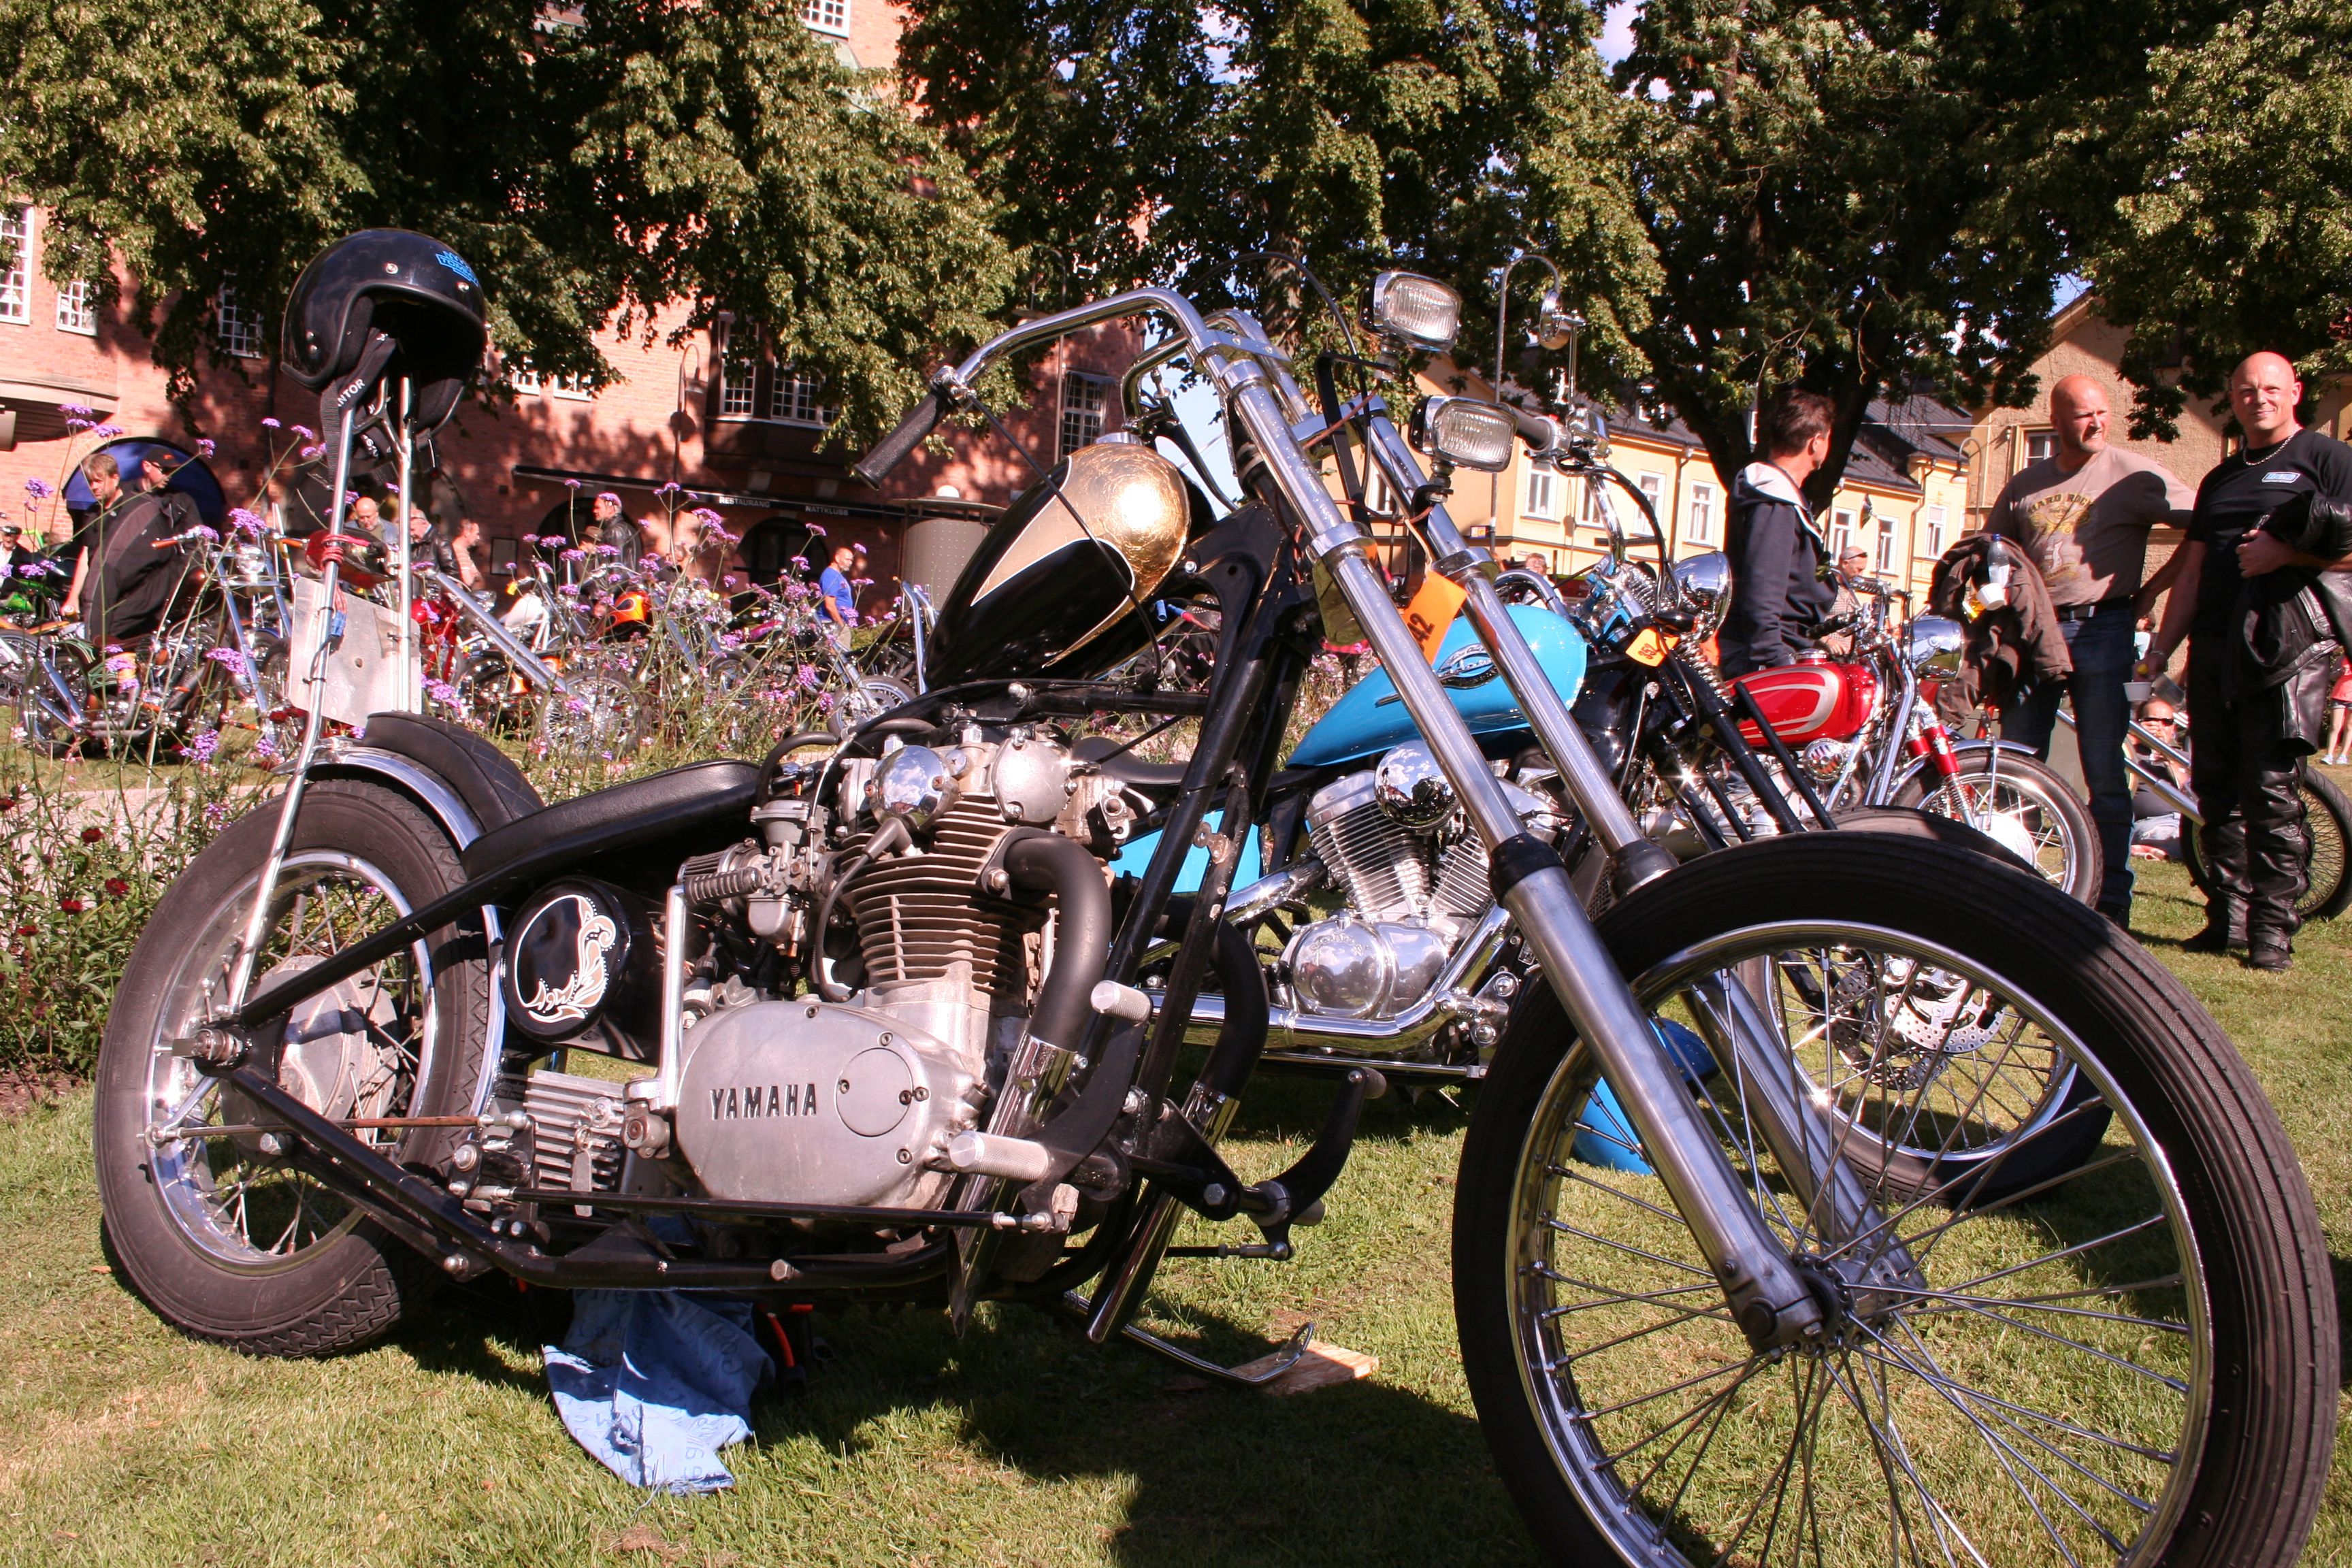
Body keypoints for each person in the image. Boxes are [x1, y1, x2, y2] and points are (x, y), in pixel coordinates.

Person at [2139, 351, 2352, 970]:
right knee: (2215, 789)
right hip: (2214, 645)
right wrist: (2162, 649)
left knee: (2271, 791)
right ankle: (2228, 919)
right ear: (2233, 398)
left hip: (2286, 649)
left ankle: (2272, 933)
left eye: (2271, 388)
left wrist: (2289, 557)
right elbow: (2194, 572)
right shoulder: (2221, 478)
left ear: (2295, 392)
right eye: (2246, 390)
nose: (2259, 398)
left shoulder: (2328, 459)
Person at [1984, 373, 2196, 927]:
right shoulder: (2025, 484)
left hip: (2105, 628)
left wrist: (2154, 589)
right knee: (2017, 764)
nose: (2097, 423)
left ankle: (2111, 898)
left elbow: (2203, 525)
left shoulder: (2134, 475)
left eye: (2102, 412)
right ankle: (2017, 886)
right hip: (2036, 633)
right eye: (2083, 415)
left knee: (2104, 770)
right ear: (2056, 422)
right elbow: (1992, 551)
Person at [1720, 389, 1837, 675]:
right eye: (1828, 438)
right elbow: (1763, 592)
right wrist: (1776, 661)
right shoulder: (1775, 502)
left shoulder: (1778, 498)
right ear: (1816, 442)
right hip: (1767, 657)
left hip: (1781, 647)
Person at [84, 450, 199, 659]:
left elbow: (194, 545)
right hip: (119, 583)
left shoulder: (181, 501)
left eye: (173, 471)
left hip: (158, 581)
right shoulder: (125, 496)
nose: (169, 476)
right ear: (147, 466)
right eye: (164, 470)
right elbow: (94, 552)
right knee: (111, 630)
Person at [2129, 698, 2191, 860]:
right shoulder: (2129, 754)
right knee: (2169, 837)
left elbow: (2197, 797)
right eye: (2151, 721)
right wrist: (2134, 737)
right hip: (2154, 823)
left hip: (2190, 821)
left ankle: (2153, 850)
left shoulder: (2185, 759)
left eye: (2166, 722)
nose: (2160, 727)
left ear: (2174, 728)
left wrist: (2173, 764)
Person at [818, 543, 857, 649]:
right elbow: (830, 605)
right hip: (832, 624)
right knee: (839, 657)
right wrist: (841, 625)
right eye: (847, 559)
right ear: (837, 558)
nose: (850, 563)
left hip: (838, 623)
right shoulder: (830, 575)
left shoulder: (838, 575)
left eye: (852, 560)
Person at [2325, 655, 2352, 765]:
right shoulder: (2343, 658)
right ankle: (2329, 755)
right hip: (2338, 696)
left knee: (2349, 726)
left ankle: (2343, 755)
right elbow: (2331, 675)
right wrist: (2340, 672)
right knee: (2335, 726)